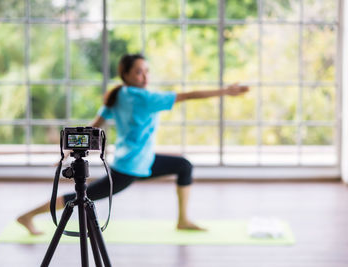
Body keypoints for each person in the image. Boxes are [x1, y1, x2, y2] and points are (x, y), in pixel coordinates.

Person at [17, 53, 249, 235]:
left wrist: (69, 150)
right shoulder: (145, 98)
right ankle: (28, 215)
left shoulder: (119, 96)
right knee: (83, 196)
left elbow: (94, 126)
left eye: (147, 71)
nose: (145, 77)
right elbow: (187, 96)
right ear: (126, 75)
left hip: (138, 160)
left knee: (183, 165)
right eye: (139, 72)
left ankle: (182, 220)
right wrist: (227, 91)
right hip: (130, 167)